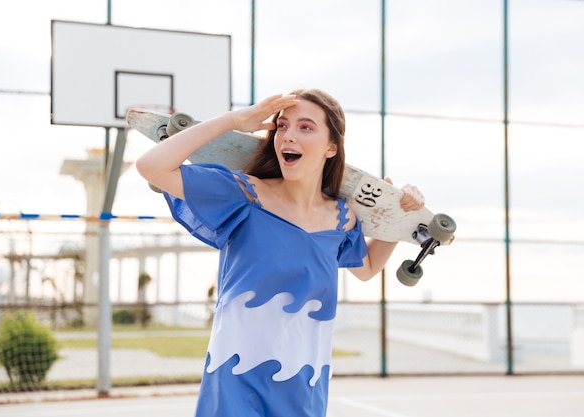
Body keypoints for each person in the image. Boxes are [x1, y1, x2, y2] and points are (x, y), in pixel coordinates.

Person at [136, 89, 425, 417]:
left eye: (305, 127)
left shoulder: (342, 218)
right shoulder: (244, 193)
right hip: (235, 380)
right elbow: (152, 166)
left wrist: (398, 217)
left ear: (332, 147)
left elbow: (368, 267)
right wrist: (235, 120)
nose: (288, 136)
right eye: (282, 126)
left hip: (303, 385)